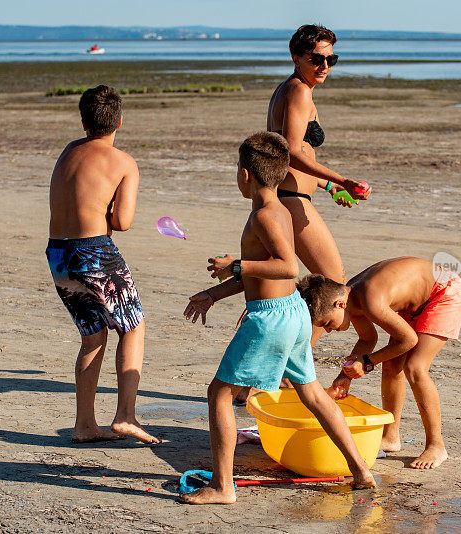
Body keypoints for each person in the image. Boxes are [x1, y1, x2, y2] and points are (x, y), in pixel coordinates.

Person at [180, 132, 375, 505]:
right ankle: (361, 470)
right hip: (294, 314)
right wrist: (213, 294)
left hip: (271, 319)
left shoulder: (265, 215)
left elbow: (286, 266)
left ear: (244, 175)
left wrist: (235, 263)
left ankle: (223, 487)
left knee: (219, 393)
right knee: (313, 395)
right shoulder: (279, 211)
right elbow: (259, 275)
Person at [45, 85, 159, 445]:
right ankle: (125, 415)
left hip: (58, 253)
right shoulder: (124, 162)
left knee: (93, 335)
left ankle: (84, 425)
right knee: (133, 326)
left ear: (83, 122)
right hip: (93, 250)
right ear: (120, 121)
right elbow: (123, 222)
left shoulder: (68, 150)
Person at [296, 257, 461, 469]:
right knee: (391, 365)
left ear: (339, 304)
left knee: (415, 367)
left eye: (327, 323)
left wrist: (367, 362)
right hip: (415, 303)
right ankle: (391, 436)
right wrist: (345, 376)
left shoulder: (370, 300)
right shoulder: (350, 299)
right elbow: (368, 339)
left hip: (444, 292)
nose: (330, 330)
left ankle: (436, 445)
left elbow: (409, 340)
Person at [266, 24, 372, 345]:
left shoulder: (294, 88)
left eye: (331, 59)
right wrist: (342, 179)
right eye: (316, 59)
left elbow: (297, 154)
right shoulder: (298, 90)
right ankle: (293, 369)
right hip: (291, 200)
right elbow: (292, 150)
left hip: (290, 197)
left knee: (313, 290)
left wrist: (328, 188)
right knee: (333, 287)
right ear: (296, 57)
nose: (325, 66)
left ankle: (289, 365)